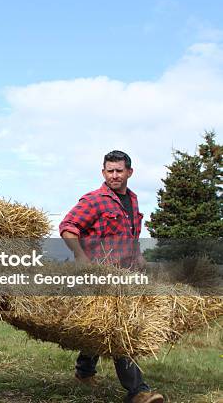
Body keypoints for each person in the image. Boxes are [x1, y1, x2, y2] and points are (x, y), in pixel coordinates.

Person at [59, 150, 164, 403]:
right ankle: (138, 392)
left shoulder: (134, 201)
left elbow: (131, 235)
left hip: (126, 277)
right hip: (101, 276)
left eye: (119, 170)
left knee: (98, 327)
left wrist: (138, 256)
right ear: (103, 172)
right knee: (119, 330)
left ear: (129, 172)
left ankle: (84, 373)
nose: (114, 175)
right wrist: (80, 257)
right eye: (110, 171)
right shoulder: (94, 200)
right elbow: (68, 227)